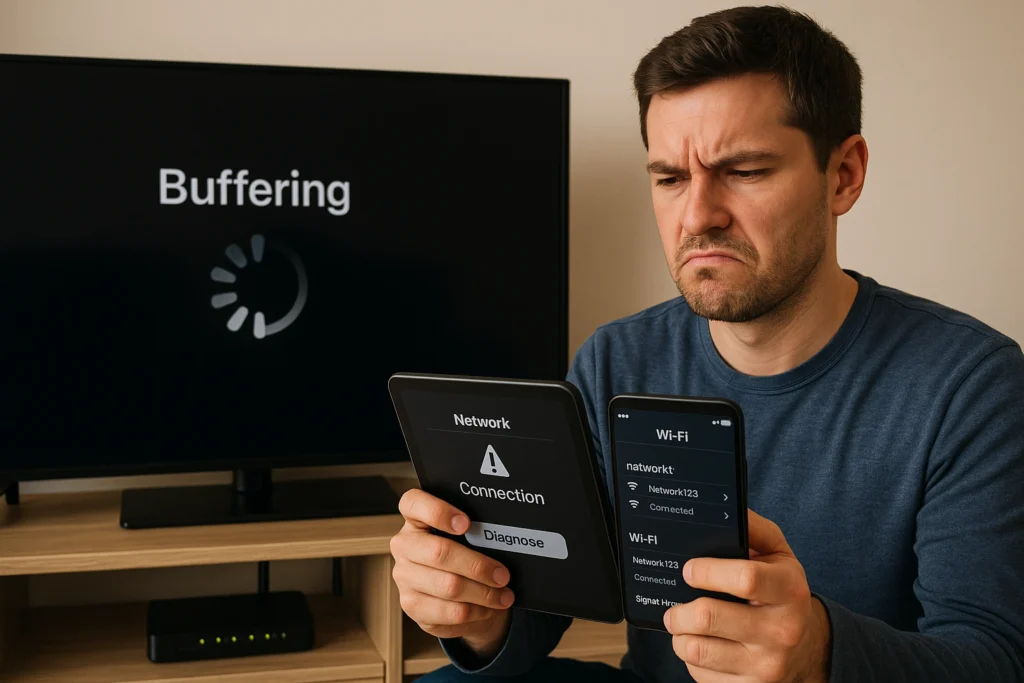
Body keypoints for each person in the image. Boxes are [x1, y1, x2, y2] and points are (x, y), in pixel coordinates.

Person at [388, 5, 1024, 682]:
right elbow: (544, 606)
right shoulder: (615, 360)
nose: (697, 215)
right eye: (670, 178)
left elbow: (995, 659)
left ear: (843, 175)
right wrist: (476, 607)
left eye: (744, 171)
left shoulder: (971, 386)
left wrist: (817, 652)